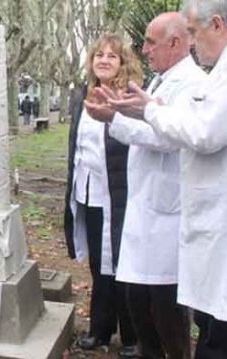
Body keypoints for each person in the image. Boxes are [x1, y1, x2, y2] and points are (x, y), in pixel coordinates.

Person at [102, 0, 227, 358]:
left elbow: (207, 131)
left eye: (193, 32)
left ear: (218, 24)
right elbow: (199, 115)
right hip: (226, 219)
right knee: (215, 326)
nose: (192, 42)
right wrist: (152, 107)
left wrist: (147, 110)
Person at [85, 12, 204, 359]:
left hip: (165, 215)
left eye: (152, 42)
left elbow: (169, 137)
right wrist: (119, 111)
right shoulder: (160, 80)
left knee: (166, 310)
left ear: (176, 43)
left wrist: (115, 119)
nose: (145, 49)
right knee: (138, 302)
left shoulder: (192, 83)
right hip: (144, 211)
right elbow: (149, 121)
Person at [63, 33, 140, 358]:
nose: (104, 60)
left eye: (112, 56)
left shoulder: (129, 98)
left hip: (122, 196)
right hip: (89, 194)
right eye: (99, 55)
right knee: (99, 265)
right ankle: (101, 329)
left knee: (125, 265)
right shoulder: (82, 94)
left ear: (123, 63)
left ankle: (134, 335)